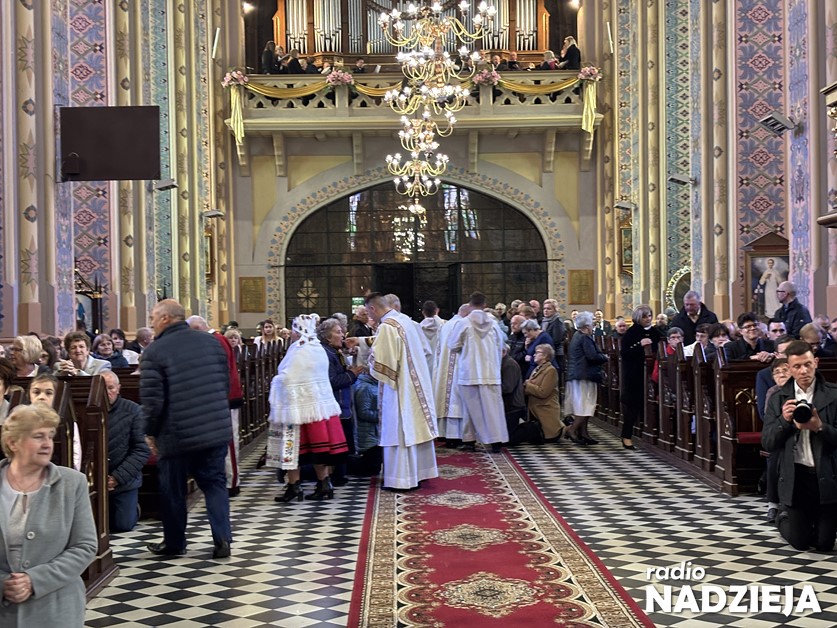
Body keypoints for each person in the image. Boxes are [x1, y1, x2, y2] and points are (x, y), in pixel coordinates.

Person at [140, 299, 233, 559]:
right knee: (215, 484)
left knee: (173, 489)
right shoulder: (211, 343)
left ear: (166, 319)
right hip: (214, 428)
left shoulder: (155, 351)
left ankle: (175, 543)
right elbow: (224, 383)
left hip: (176, 434)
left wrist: (150, 431)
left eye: (153, 317)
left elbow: (152, 400)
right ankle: (222, 539)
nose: (151, 323)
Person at [0, 404, 97, 627]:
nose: (47, 444)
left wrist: (34, 580)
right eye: (38, 436)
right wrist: (3, 583)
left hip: (55, 610)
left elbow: (85, 546)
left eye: (50, 436)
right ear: (12, 443)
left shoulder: (72, 483)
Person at [762, 340, 837, 551]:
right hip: (796, 477)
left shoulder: (833, 394)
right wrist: (784, 421)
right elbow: (768, 442)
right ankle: (784, 516)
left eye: (807, 364)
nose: (803, 371)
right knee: (801, 542)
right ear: (789, 368)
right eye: (797, 366)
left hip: (827, 475)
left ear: (816, 362)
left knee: (824, 544)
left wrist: (820, 427)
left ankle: (817, 522)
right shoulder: (778, 398)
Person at [268, 314, 348, 502]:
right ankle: (324, 484)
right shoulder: (317, 347)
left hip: (297, 409)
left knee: (293, 448)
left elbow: (289, 377)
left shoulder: (300, 349)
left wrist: (276, 380)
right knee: (317, 450)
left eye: (294, 330)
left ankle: (294, 486)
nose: (292, 334)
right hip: (318, 409)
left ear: (299, 331)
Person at [365, 292, 438, 490]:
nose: (369, 317)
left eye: (368, 313)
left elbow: (383, 363)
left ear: (373, 308)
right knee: (414, 428)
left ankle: (401, 479)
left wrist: (367, 359)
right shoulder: (405, 321)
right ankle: (419, 473)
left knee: (399, 430)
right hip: (415, 384)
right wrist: (365, 342)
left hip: (398, 389)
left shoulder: (387, 327)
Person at [187, 316, 245, 498]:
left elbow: (221, 371)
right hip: (216, 399)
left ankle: (231, 482)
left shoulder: (217, 340)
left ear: (198, 328)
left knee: (229, 441)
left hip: (225, 398)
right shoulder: (213, 339)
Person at [447, 296, 509, 453]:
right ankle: (496, 442)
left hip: (469, 372)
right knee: (493, 409)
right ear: (485, 305)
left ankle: (469, 441)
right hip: (491, 373)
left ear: (469, 305)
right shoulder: (494, 324)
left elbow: (452, 345)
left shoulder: (463, 323)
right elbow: (501, 346)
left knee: (469, 408)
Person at [101, 371, 150, 532]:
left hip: (123, 480)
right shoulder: (89, 409)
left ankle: (135, 509)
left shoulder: (133, 410)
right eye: (102, 388)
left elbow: (141, 450)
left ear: (118, 389)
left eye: (110, 388)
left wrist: (117, 477)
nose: (106, 392)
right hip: (96, 479)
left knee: (122, 525)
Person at [319, 317, 363, 485]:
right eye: (338, 332)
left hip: (342, 405)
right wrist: (352, 374)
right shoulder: (326, 353)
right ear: (327, 337)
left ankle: (340, 475)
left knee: (344, 443)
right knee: (338, 444)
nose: (342, 335)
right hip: (336, 405)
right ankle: (336, 477)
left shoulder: (334, 351)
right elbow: (331, 381)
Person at [620, 305, 662, 450]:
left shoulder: (655, 332)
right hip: (634, 373)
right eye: (644, 316)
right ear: (638, 318)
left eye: (649, 315)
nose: (648, 319)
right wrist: (640, 344)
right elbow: (625, 353)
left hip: (651, 373)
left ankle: (652, 435)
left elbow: (659, 349)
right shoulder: (631, 333)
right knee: (633, 405)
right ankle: (626, 436)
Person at [564, 311, 608, 445]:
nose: (593, 325)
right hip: (584, 376)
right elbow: (592, 356)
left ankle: (584, 433)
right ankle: (571, 430)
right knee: (585, 405)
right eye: (591, 323)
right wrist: (605, 357)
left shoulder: (577, 335)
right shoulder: (584, 338)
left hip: (579, 375)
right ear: (587, 326)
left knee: (584, 406)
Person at [522, 344, 564, 441]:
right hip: (535, 409)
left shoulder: (551, 370)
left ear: (545, 356)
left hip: (545, 409)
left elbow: (543, 392)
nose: (534, 355)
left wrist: (528, 385)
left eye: (537, 353)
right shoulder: (537, 368)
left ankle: (565, 429)